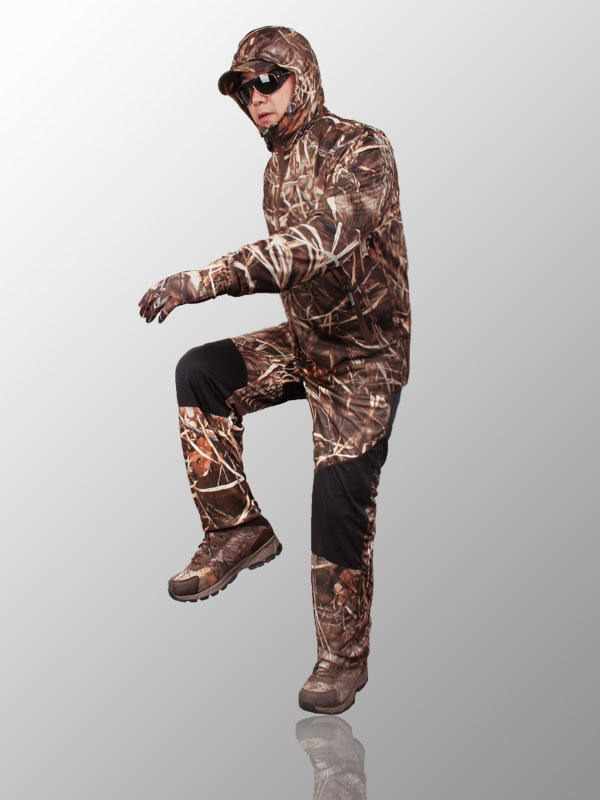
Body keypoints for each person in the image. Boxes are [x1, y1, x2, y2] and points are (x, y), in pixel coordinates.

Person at [138, 25, 411, 715]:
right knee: (202, 372)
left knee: (337, 499)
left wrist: (205, 279)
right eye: (243, 88)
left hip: (364, 359)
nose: (255, 98)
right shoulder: (275, 170)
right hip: (307, 341)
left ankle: (343, 658)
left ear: (303, 78)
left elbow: (315, 246)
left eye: (269, 80)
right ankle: (237, 530)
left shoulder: (363, 148)